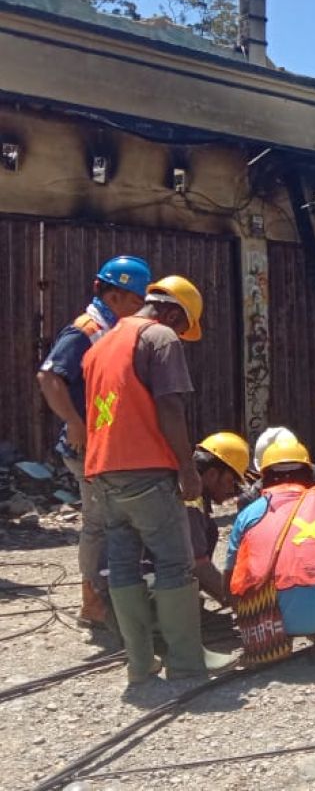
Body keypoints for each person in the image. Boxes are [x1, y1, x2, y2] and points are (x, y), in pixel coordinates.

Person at [83, 275, 234, 684]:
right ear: (172, 312)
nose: (181, 337)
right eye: (183, 327)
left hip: (103, 471)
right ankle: (186, 661)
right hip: (146, 467)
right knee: (175, 562)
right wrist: (187, 469)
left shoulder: (103, 344)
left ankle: (140, 663)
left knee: (123, 564)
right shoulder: (159, 338)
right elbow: (170, 407)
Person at [36, 255, 150, 629]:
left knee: (114, 521)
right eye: (136, 300)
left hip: (106, 448)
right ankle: (94, 602)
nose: (139, 307)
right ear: (116, 295)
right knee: (99, 523)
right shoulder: (86, 330)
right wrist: (74, 422)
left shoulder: (113, 326)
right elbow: (49, 377)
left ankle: (113, 594)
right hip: (87, 449)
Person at [225, 435, 315, 664]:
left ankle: (272, 639)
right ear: (309, 473)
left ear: (264, 476)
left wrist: (245, 618)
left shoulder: (248, 512)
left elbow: (229, 575)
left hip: (265, 618)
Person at [186, 432, 251, 606]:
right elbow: (199, 566)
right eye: (231, 481)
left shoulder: (192, 494)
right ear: (213, 474)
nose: (232, 490)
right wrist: (242, 605)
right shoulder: (190, 503)